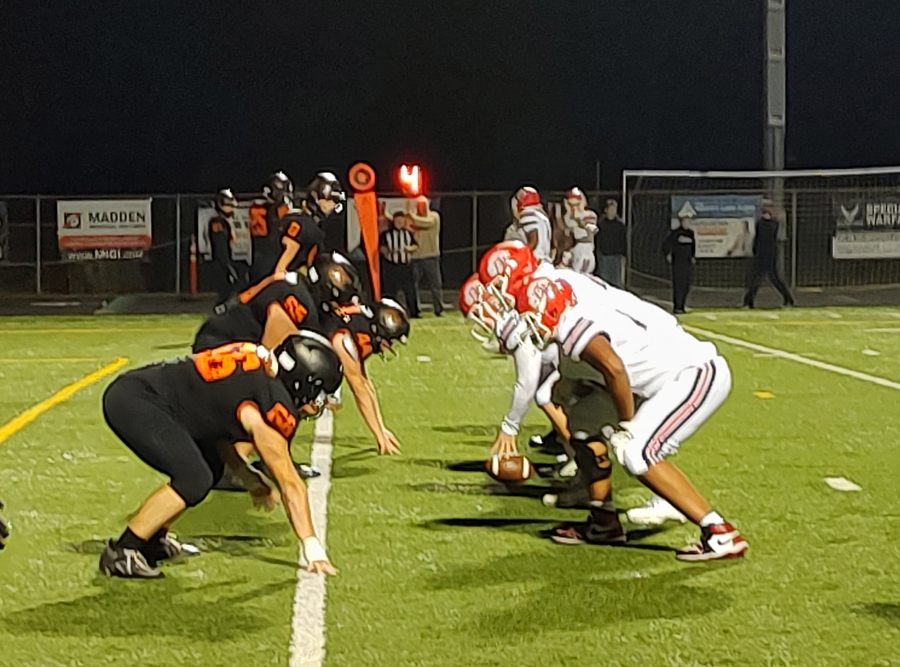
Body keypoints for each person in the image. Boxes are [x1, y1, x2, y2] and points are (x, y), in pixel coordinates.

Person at [487, 245, 748, 561]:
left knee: (635, 451)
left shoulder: (571, 320)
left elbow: (614, 368)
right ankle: (603, 521)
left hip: (691, 374)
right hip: (653, 372)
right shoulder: (562, 293)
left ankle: (720, 532)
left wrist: (626, 422)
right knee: (582, 425)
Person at [98, 332, 343, 579]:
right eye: (319, 394)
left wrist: (251, 480)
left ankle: (153, 539)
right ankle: (123, 551)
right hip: (137, 401)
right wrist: (312, 548)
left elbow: (220, 436)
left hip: (147, 395)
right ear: (302, 383)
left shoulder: (259, 373)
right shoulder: (268, 404)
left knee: (211, 468)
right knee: (194, 478)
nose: (318, 404)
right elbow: (290, 484)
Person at [192, 251, 362, 354]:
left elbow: (246, 296)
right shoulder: (299, 299)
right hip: (224, 344)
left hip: (218, 331)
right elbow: (266, 353)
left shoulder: (288, 279)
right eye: (341, 280)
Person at [320, 298, 410, 455]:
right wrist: (379, 437)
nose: (388, 346)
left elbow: (366, 385)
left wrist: (381, 428)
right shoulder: (346, 338)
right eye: (389, 341)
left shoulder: (360, 327)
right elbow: (359, 390)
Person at [274, 172, 345, 274]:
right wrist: (280, 272)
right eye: (330, 200)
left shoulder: (315, 227)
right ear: (316, 196)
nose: (332, 205)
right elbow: (289, 249)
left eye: (335, 201)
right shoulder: (302, 223)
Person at [742, 201, 794, 308]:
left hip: (768, 255)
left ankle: (788, 298)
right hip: (763, 254)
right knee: (756, 278)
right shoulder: (765, 223)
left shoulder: (770, 224)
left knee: (772, 278)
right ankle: (748, 301)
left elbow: (766, 233)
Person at [249, 171, 295, 282]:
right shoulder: (259, 209)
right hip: (267, 255)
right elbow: (266, 234)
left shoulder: (280, 209)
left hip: (277, 255)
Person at [408, 196, 444, 317]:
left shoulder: (434, 217)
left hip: (431, 255)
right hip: (416, 256)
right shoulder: (413, 218)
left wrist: (411, 216)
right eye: (419, 206)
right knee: (413, 285)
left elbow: (425, 223)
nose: (421, 208)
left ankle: (438, 309)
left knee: (435, 285)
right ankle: (415, 310)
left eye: (423, 205)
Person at [207, 188, 243, 302]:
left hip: (225, 262)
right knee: (225, 294)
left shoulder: (224, 221)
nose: (231, 208)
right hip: (221, 264)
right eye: (228, 205)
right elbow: (220, 247)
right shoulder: (217, 222)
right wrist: (227, 266)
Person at [380, 211, 419, 317]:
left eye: (401, 221)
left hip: (405, 265)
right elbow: (381, 247)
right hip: (392, 265)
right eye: (397, 221)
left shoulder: (408, 233)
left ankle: (414, 311)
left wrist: (409, 249)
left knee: (410, 290)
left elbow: (415, 245)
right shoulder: (386, 234)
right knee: (390, 290)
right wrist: (387, 251)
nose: (399, 223)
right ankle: (389, 311)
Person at [662, 215, 696, 314]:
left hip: (687, 263)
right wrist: (668, 254)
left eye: (688, 221)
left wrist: (692, 256)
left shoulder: (690, 233)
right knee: (678, 285)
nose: (687, 223)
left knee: (686, 285)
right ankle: (677, 307)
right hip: (678, 263)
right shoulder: (675, 233)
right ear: (681, 222)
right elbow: (666, 244)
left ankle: (682, 306)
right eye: (685, 221)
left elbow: (693, 247)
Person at [562, 187, 598, 274]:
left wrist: (576, 217)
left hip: (588, 248)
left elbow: (586, 226)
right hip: (577, 247)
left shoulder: (590, 214)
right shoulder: (568, 217)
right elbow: (569, 224)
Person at [511, 186, 552, 263]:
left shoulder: (528, 215)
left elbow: (533, 241)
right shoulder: (541, 215)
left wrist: (520, 257)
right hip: (543, 261)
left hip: (534, 262)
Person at [595, 199, 627, 287]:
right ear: (606, 210)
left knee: (615, 282)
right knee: (604, 282)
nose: (612, 211)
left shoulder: (620, 225)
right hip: (604, 257)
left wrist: (624, 255)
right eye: (610, 208)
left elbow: (623, 240)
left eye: (614, 209)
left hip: (616, 258)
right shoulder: (601, 224)